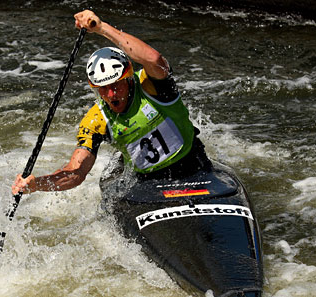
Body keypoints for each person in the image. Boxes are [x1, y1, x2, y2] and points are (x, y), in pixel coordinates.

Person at [12, 10, 211, 196]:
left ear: (128, 78)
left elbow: (154, 58)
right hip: (146, 184)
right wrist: (36, 185)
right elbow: (76, 172)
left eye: (116, 85)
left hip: (193, 165)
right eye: (103, 88)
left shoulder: (151, 86)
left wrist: (100, 28)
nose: (111, 93)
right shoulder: (96, 120)